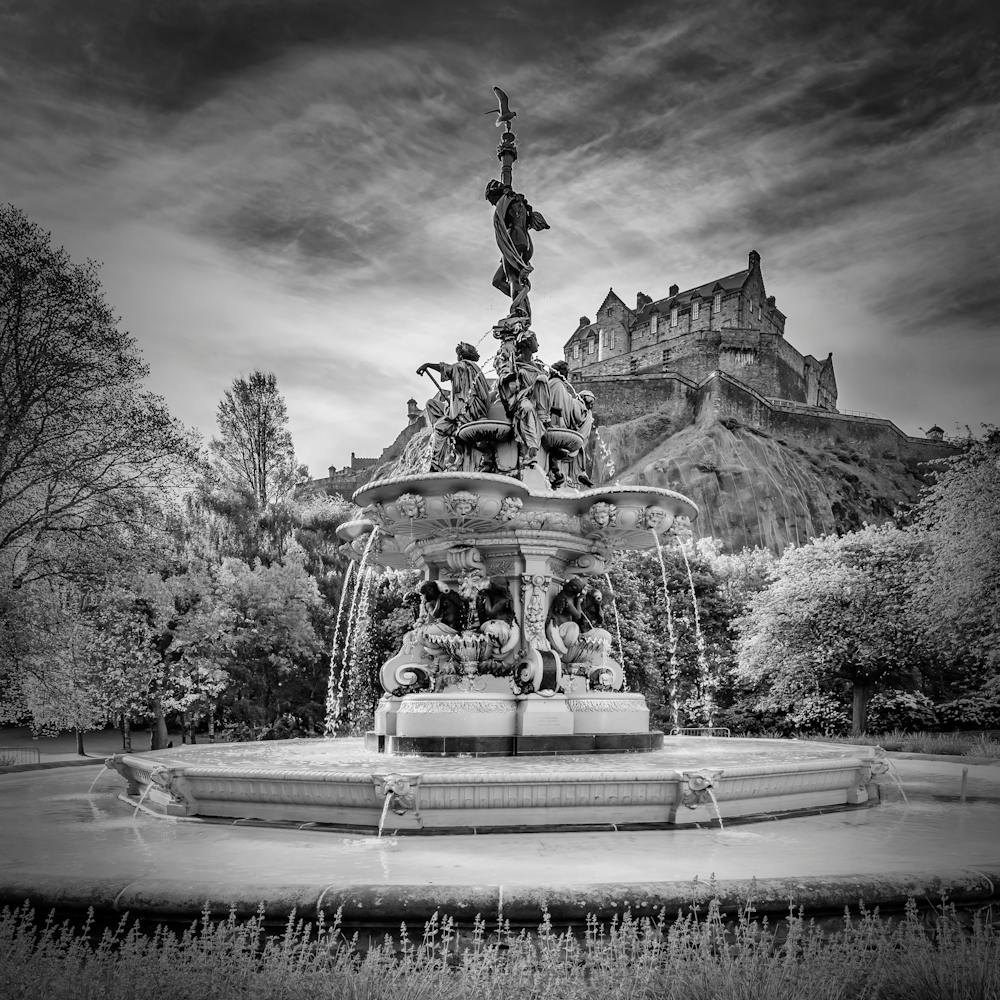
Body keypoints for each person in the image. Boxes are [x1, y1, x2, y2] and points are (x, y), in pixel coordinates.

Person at [416, 342, 491, 471]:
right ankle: (448, 436)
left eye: (458, 354)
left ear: (461, 355)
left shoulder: (462, 366)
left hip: (467, 414)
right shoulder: (476, 370)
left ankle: (436, 465)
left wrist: (428, 365)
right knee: (431, 404)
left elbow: (446, 368)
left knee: (440, 427)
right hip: (474, 410)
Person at [485, 179, 549, 320]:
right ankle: (522, 302)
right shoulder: (518, 202)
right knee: (497, 281)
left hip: (514, 239)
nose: (493, 204)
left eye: (492, 199)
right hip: (526, 243)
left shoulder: (507, 200)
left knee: (513, 278)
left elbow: (501, 220)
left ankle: (519, 311)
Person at [496, 330, 550, 473]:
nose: (538, 343)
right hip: (520, 398)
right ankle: (530, 450)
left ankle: (544, 416)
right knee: (526, 407)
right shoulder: (515, 362)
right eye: (535, 340)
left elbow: (545, 385)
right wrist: (512, 375)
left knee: (542, 380)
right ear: (527, 343)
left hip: (536, 400)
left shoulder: (537, 366)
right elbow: (502, 380)